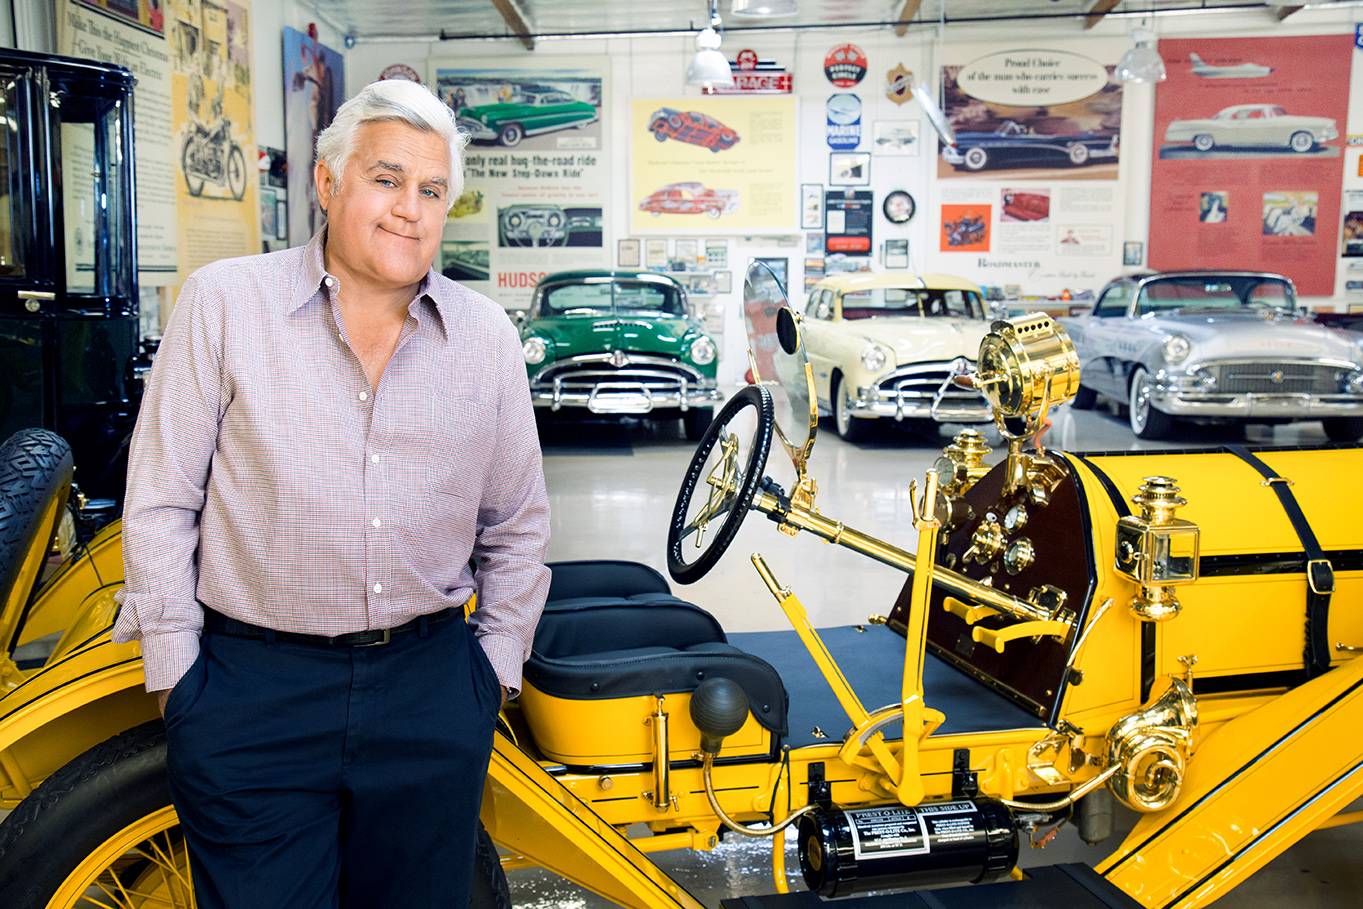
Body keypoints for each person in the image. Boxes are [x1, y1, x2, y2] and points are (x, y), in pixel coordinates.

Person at [113, 79, 549, 907]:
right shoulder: (224, 305)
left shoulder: (485, 339)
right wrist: (180, 684)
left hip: (428, 690)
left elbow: (516, 525)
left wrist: (487, 674)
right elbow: (162, 498)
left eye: (430, 190)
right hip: (251, 694)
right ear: (327, 183)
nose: (408, 210)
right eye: (385, 180)